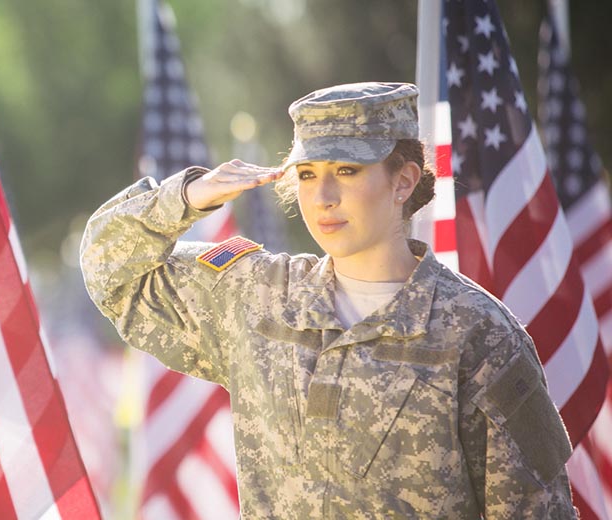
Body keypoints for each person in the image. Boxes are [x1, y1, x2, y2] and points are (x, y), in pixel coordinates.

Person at [81, 82, 576, 518]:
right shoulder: (258, 297)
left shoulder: (478, 332)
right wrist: (186, 197)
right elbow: (111, 270)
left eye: (347, 169)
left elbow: (536, 509)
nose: (323, 197)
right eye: (308, 174)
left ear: (403, 181)